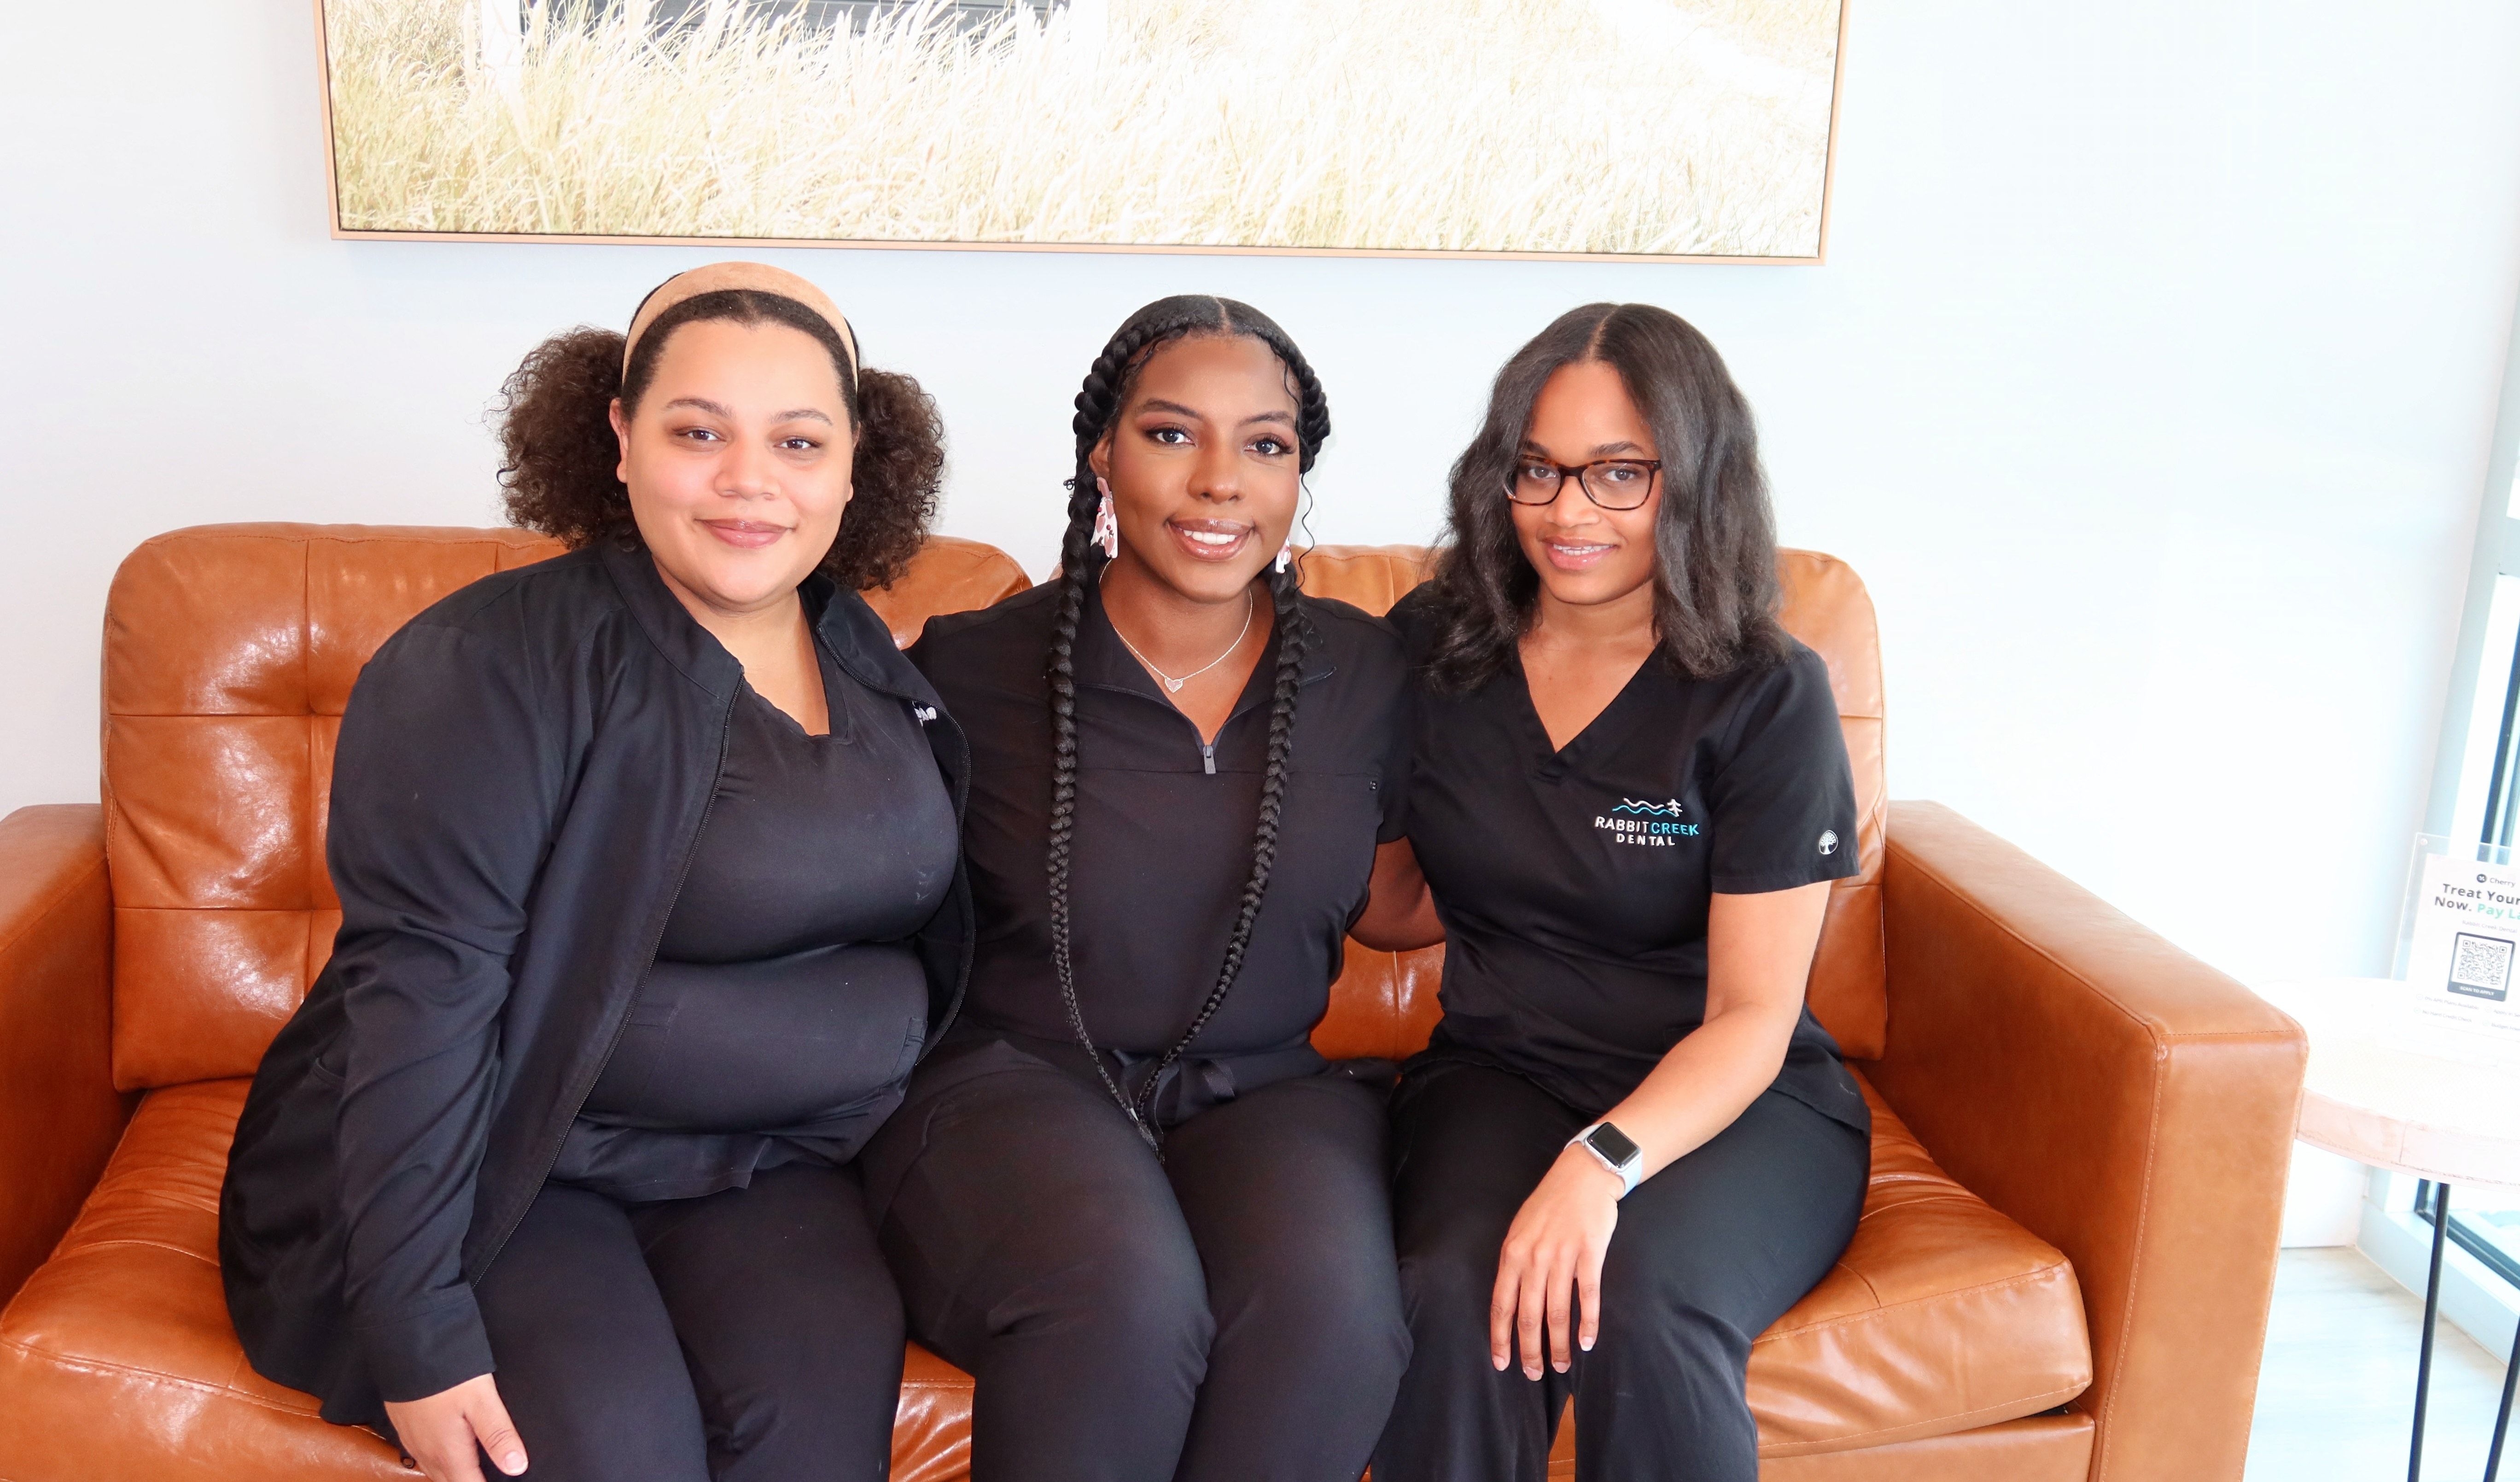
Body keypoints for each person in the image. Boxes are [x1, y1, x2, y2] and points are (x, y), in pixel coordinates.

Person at [218, 262, 968, 1482]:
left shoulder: (869, 653)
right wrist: (416, 1325)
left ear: (854, 461)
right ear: (618, 438)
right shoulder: (487, 664)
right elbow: (424, 999)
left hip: (768, 1168)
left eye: (796, 439)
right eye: (696, 431)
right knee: (618, 1451)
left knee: (814, 1436)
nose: (749, 480)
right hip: (512, 1169)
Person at [862, 295, 1412, 1482]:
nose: (1222, 481)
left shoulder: (1368, 671)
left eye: (1265, 443)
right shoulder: (970, 667)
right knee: (1119, 1303)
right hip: (1008, 1083)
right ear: (1103, 455)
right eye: (1173, 435)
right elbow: (841, 883)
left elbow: (1405, 898)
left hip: (1266, 1090)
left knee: (1336, 1321)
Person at [1358, 302, 1871, 1482]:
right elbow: (1402, 908)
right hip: (1500, 1068)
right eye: (1536, 468)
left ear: (1695, 481)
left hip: (1731, 1098)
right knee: (1454, 1293)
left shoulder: (1766, 692)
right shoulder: (1437, 647)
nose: (1566, 511)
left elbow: (1752, 1014)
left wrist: (1600, 1164)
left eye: (1618, 474)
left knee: (1640, 1298)